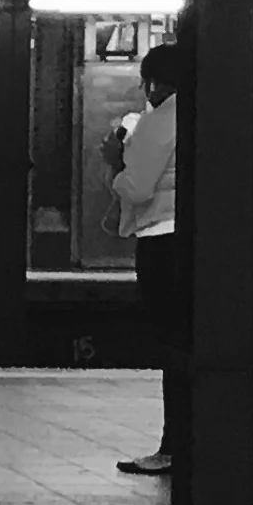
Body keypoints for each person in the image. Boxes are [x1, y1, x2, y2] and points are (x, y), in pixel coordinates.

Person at [107, 41, 187, 476]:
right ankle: (193, 443)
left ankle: (173, 446)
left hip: (161, 238)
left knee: (172, 347)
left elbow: (137, 188)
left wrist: (116, 166)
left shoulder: (159, 121)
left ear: (154, 83)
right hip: (195, 239)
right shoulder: (204, 114)